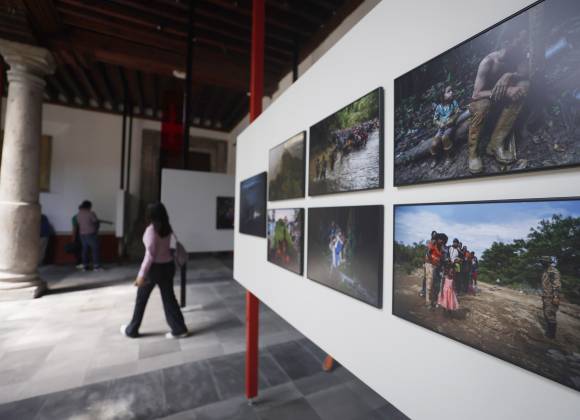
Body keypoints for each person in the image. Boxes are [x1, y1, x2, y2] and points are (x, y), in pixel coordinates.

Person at [467, 24, 530, 174]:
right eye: (520, 42)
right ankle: (473, 153)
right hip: (484, 99)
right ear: (507, 41)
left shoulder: (518, 58)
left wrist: (509, 75)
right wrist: (505, 90)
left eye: (525, 42)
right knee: (482, 106)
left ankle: (495, 145)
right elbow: (476, 94)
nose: (523, 46)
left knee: (524, 86)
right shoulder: (489, 61)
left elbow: (527, 73)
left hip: (502, 100)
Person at [121, 203, 188, 339]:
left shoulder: (151, 230)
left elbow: (150, 255)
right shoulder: (167, 227)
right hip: (167, 266)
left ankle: (132, 330)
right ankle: (179, 329)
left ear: (150, 215)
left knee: (141, 299)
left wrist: (141, 275)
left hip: (154, 269)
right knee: (169, 299)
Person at [430, 85, 460, 167]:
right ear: (442, 95)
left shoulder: (453, 103)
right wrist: (440, 123)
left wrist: (452, 119)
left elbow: (457, 112)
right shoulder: (439, 107)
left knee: (444, 138)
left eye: (451, 91)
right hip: (441, 128)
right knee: (434, 144)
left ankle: (449, 157)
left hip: (450, 126)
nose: (451, 92)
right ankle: (434, 159)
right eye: (448, 91)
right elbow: (435, 120)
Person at [539, 256, 561, 339]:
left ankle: (551, 335)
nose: (542, 263)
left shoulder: (553, 271)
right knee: (546, 313)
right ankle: (548, 332)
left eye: (543, 262)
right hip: (546, 296)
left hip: (551, 296)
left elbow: (557, 285)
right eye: (542, 262)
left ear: (547, 262)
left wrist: (555, 297)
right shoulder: (545, 271)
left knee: (550, 314)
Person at [77, 200, 102, 271]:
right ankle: (96, 267)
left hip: (82, 234)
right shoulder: (91, 213)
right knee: (95, 249)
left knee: (85, 250)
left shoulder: (79, 214)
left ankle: (85, 266)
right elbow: (95, 222)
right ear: (89, 206)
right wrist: (97, 226)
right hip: (91, 234)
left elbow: (79, 223)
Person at [425, 233, 444, 308]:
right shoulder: (433, 244)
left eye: (442, 240)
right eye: (440, 239)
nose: (441, 241)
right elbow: (428, 253)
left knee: (435, 285)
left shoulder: (441, 248)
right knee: (429, 283)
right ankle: (428, 302)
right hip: (430, 265)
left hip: (437, 267)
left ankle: (434, 300)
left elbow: (440, 258)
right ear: (437, 239)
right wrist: (432, 261)